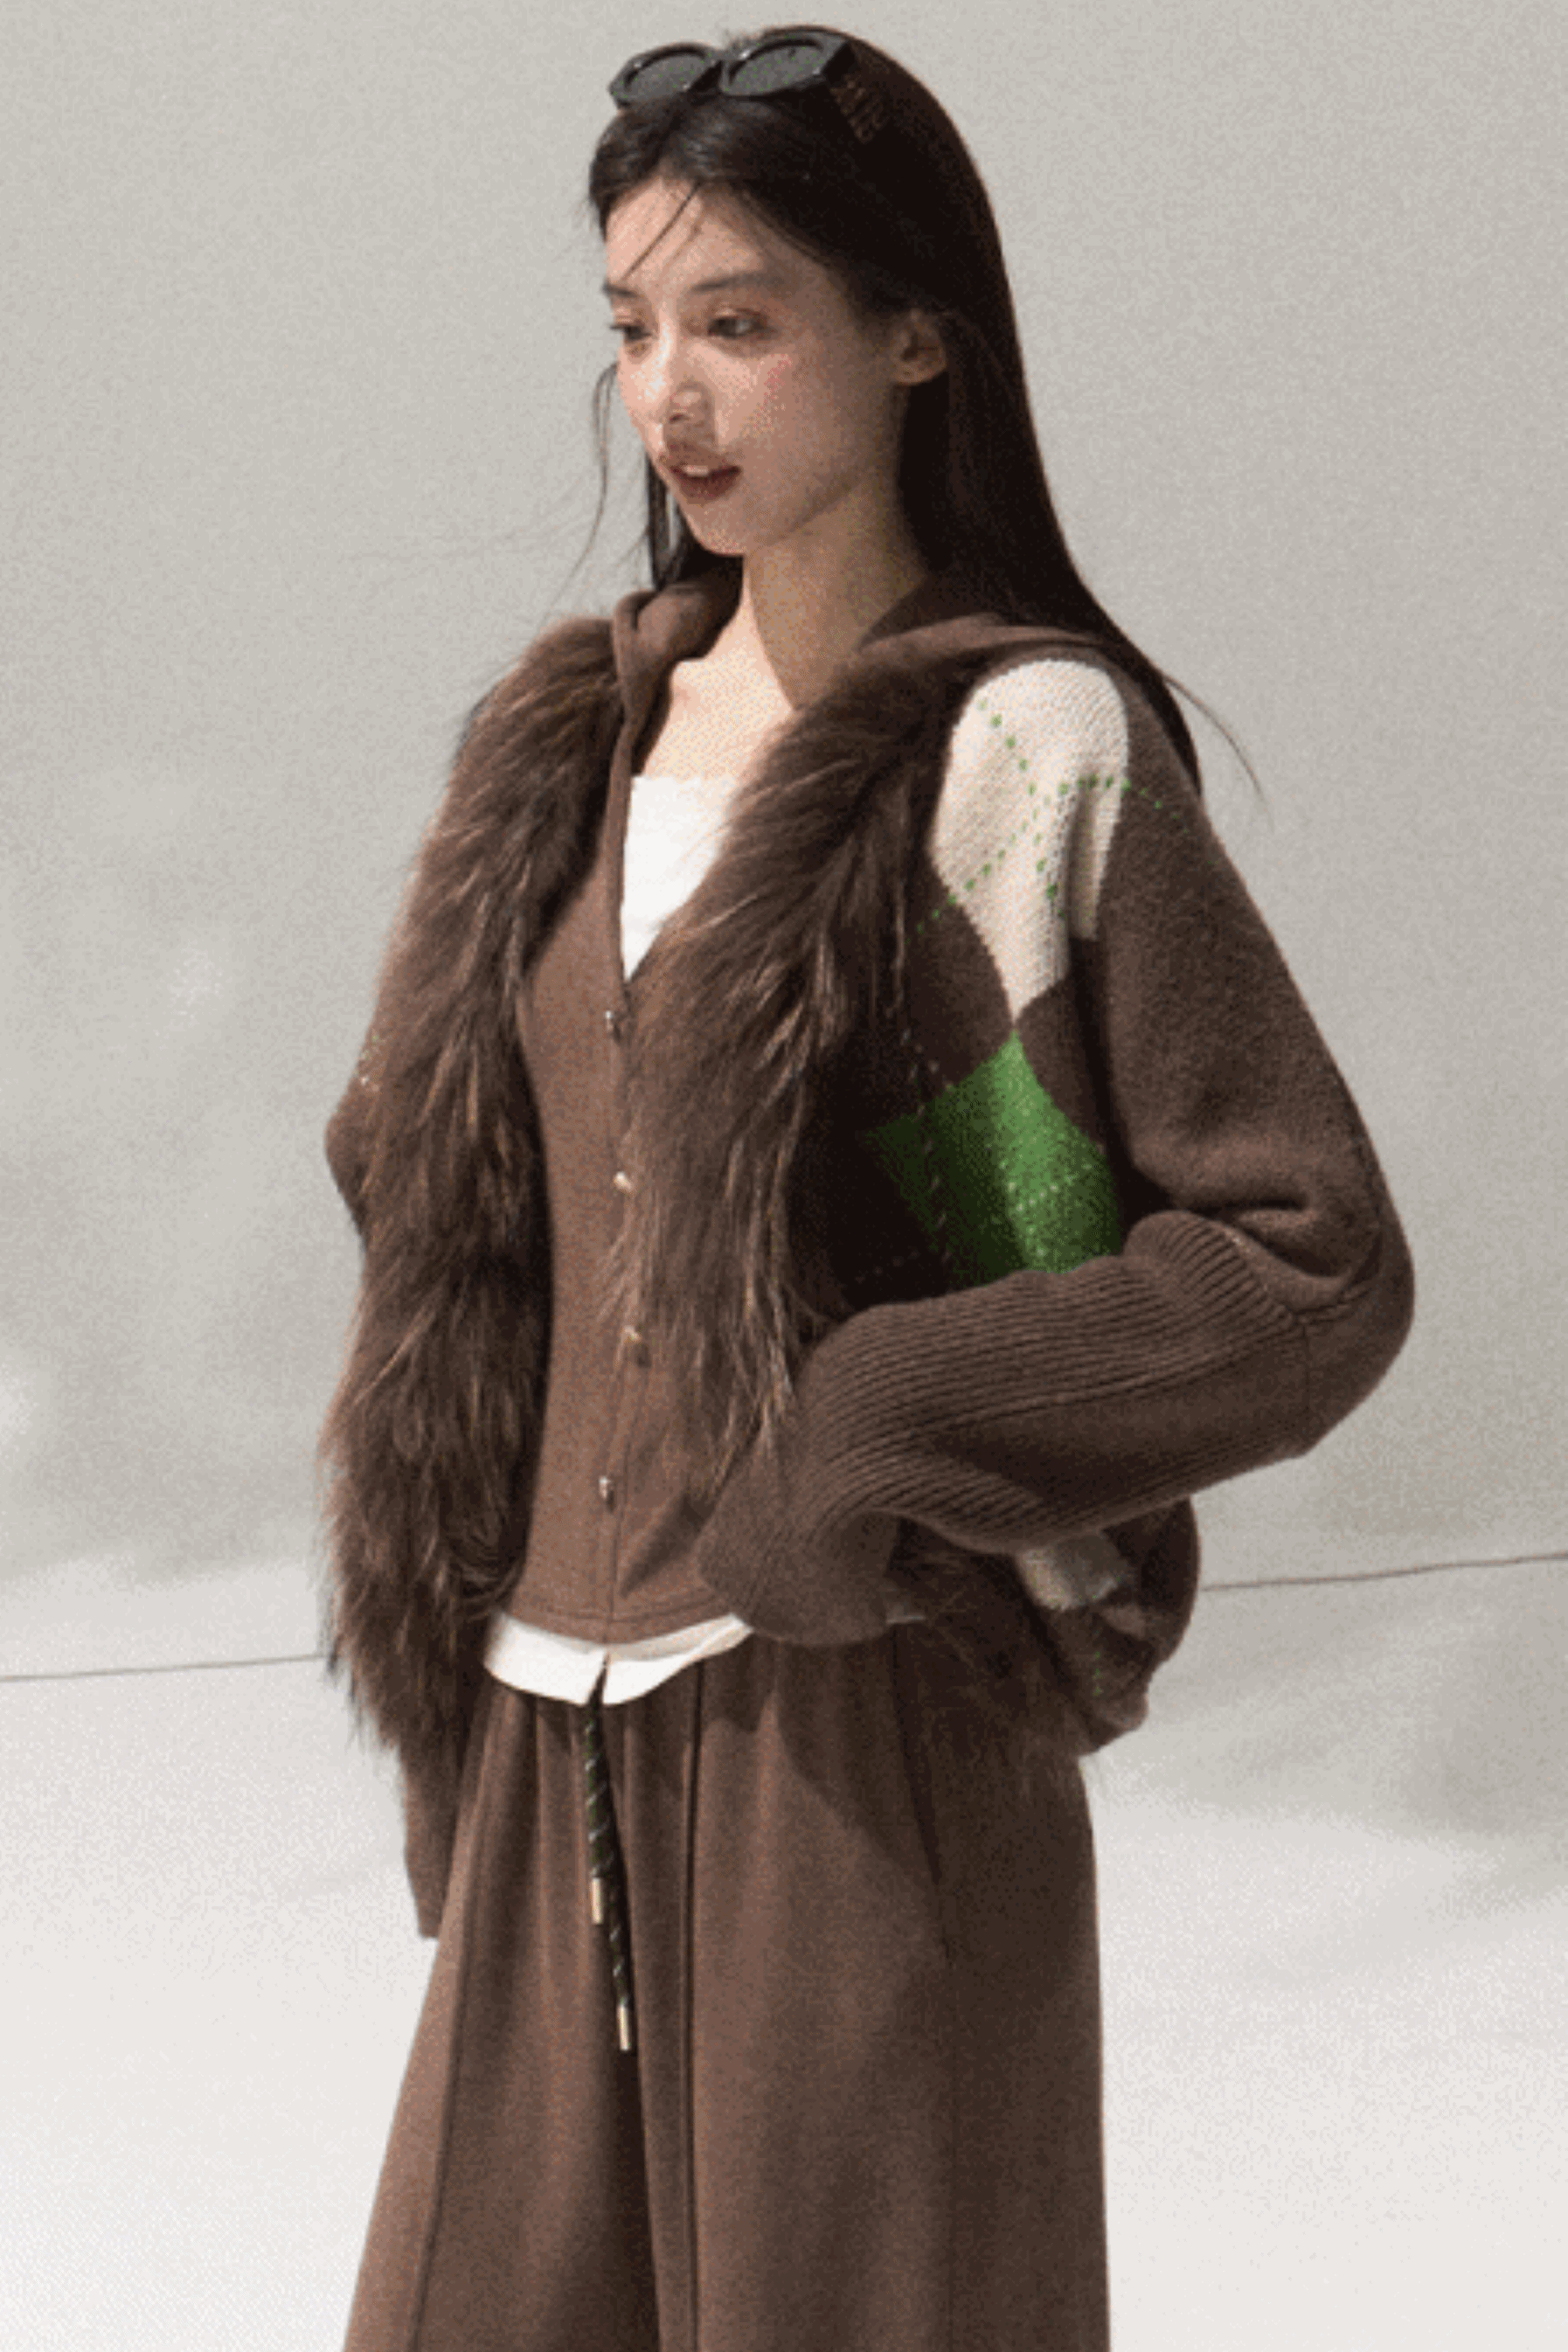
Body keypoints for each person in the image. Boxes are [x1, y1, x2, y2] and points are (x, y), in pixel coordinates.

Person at [318, 26, 1414, 2352]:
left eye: (740, 321)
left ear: (917, 334)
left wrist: (874, 1426)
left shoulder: (1024, 751)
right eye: (633, 325)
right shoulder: (569, 747)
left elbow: (1304, 1260)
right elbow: (436, 1182)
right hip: (539, 1723)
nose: (670, 394)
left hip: (862, 1721)